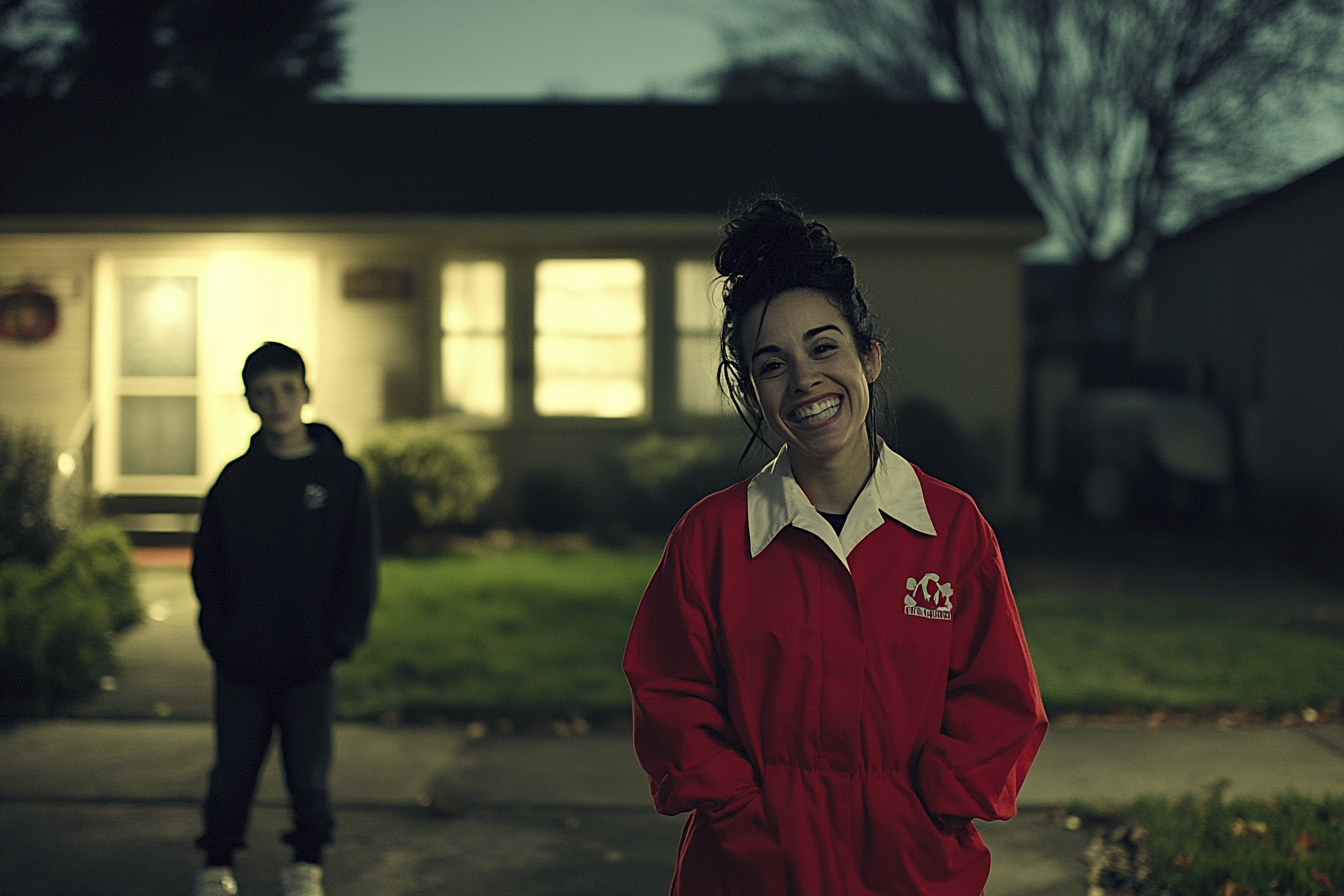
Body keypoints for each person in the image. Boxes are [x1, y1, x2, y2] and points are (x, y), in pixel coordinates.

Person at [623, 198, 1047, 895]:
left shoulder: (953, 529)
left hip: (909, 869)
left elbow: (1002, 702)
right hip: (751, 870)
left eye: (824, 347)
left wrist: (926, 811)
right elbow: (670, 697)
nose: (805, 381)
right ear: (752, 390)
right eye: (772, 364)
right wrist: (747, 819)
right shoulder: (712, 539)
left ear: (869, 357)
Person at [191, 342, 377, 896]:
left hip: (310, 660)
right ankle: (216, 863)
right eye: (264, 393)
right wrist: (221, 638)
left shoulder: (343, 477)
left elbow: (358, 568)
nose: (277, 403)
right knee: (233, 771)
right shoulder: (235, 480)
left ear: (307, 393)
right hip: (242, 660)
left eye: (287, 390)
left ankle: (306, 863)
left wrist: (338, 642)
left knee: (308, 772)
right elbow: (208, 566)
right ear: (250, 400)